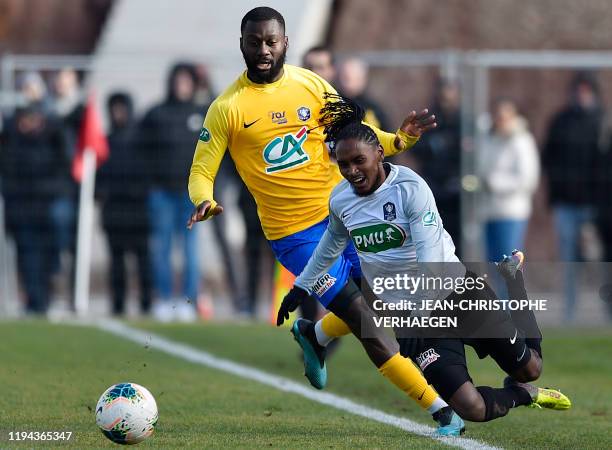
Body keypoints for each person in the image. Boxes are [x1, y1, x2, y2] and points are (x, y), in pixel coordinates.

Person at [187, 7, 463, 435]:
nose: (263, 50)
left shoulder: (310, 85)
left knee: (380, 301)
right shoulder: (227, 108)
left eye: (271, 41)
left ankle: (315, 336)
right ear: (242, 44)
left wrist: (399, 140)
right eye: (255, 41)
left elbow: (357, 139)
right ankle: (441, 411)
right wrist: (204, 200)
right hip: (295, 237)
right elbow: (202, 169)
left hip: (345, 216)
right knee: (365, 322)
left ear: (285, 44)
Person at [282, 95, 571, 423]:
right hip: (411, 318)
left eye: (358, 161)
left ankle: (513, 279)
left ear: (379, 153)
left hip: (457, 293)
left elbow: (431, 261)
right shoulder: (341, 199)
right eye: (344, 165)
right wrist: (301, 287)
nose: (351, 171)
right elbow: (331, 244)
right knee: (471, 408)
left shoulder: (410, 189)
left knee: (530, 368)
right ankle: (522, 394)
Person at [139, 62, 204, 322]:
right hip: (161, 194)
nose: (181, 86)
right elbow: (140, 151)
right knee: (162, 248)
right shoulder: (156, 114)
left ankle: (188, 301)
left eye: (186, 81)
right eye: (178, 81)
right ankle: (165, 299)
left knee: (190, 250)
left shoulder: (202, 113)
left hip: (192, 196)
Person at [542, 72, 603, 322]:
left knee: (597, 258)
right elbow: (547, 156)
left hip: (596, 205)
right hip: (566, 203)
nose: (582, 95)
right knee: (568, 259)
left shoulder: (603, 121)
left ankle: (603, 309)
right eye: (579, 90)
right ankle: (570, 310)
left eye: (587, 90)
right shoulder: (561, 121)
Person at [0, 99, 69, 314]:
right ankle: (34, 300)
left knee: (49, 256)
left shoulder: (53, 139)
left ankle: (48, 297)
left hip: (46, 207)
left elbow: (64, 168)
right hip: (22, 209)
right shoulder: (11, 142)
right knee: (28, 256)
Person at [97, 92, 152, 316]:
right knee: (116, 259)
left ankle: (146, 302)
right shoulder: (105, 142)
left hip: (138, 209)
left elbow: (150, 172)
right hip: (114, 209)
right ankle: (118, 303)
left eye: (122, 108)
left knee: (143, 258)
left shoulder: (142, 142)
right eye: (114, 108)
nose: (118, 113)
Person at [480, 98, 540, 262]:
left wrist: (495, 183)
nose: (501, 120)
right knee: (493, 263)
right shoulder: (489, 139)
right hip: (488, 211)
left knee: (509, 264)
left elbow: (528, 179)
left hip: (511, 212)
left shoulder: (522, 141)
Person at [412, 80, 462, 256]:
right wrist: (435, 145)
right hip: (433, 187)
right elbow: (416, 147)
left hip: (459, 192)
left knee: (459, 242)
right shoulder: (429, 120)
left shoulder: (462, 121)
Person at [337, 57, 390, 131]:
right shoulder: (332, 102)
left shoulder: (372, 108)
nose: (348, 83)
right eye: (346, 78)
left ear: (363, 79)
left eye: (355, 78)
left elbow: (387, 134)